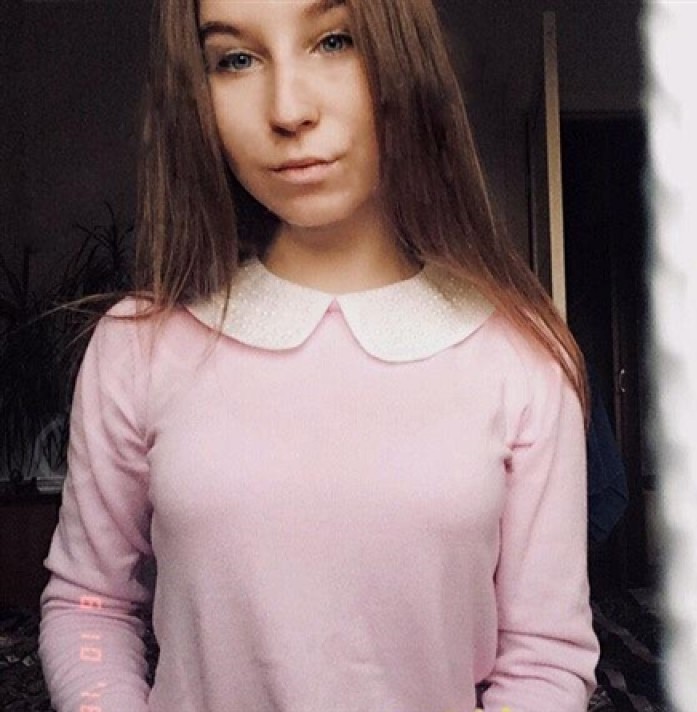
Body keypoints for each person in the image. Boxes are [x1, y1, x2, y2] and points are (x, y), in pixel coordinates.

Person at [38, 0, 600, 710]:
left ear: (406, 56)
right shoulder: (137, 346)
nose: (288, 110)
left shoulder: (521, 357)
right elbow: (89, 604)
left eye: (335, 41)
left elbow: (545, 658)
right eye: (235, 59)